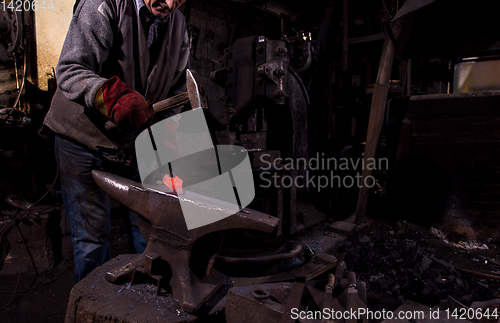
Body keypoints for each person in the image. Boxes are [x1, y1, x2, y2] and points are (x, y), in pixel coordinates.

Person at [43, 0, 189, 282]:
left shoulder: (179, 24)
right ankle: (95, 306)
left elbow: (177, 89)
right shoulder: (103, 5)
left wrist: (168, 136)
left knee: (150, 231)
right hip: (83, 138)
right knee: (91, 239)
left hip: (134, 142)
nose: (170, 3)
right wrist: (113, 96)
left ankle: (146, 304)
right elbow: (70, 70)